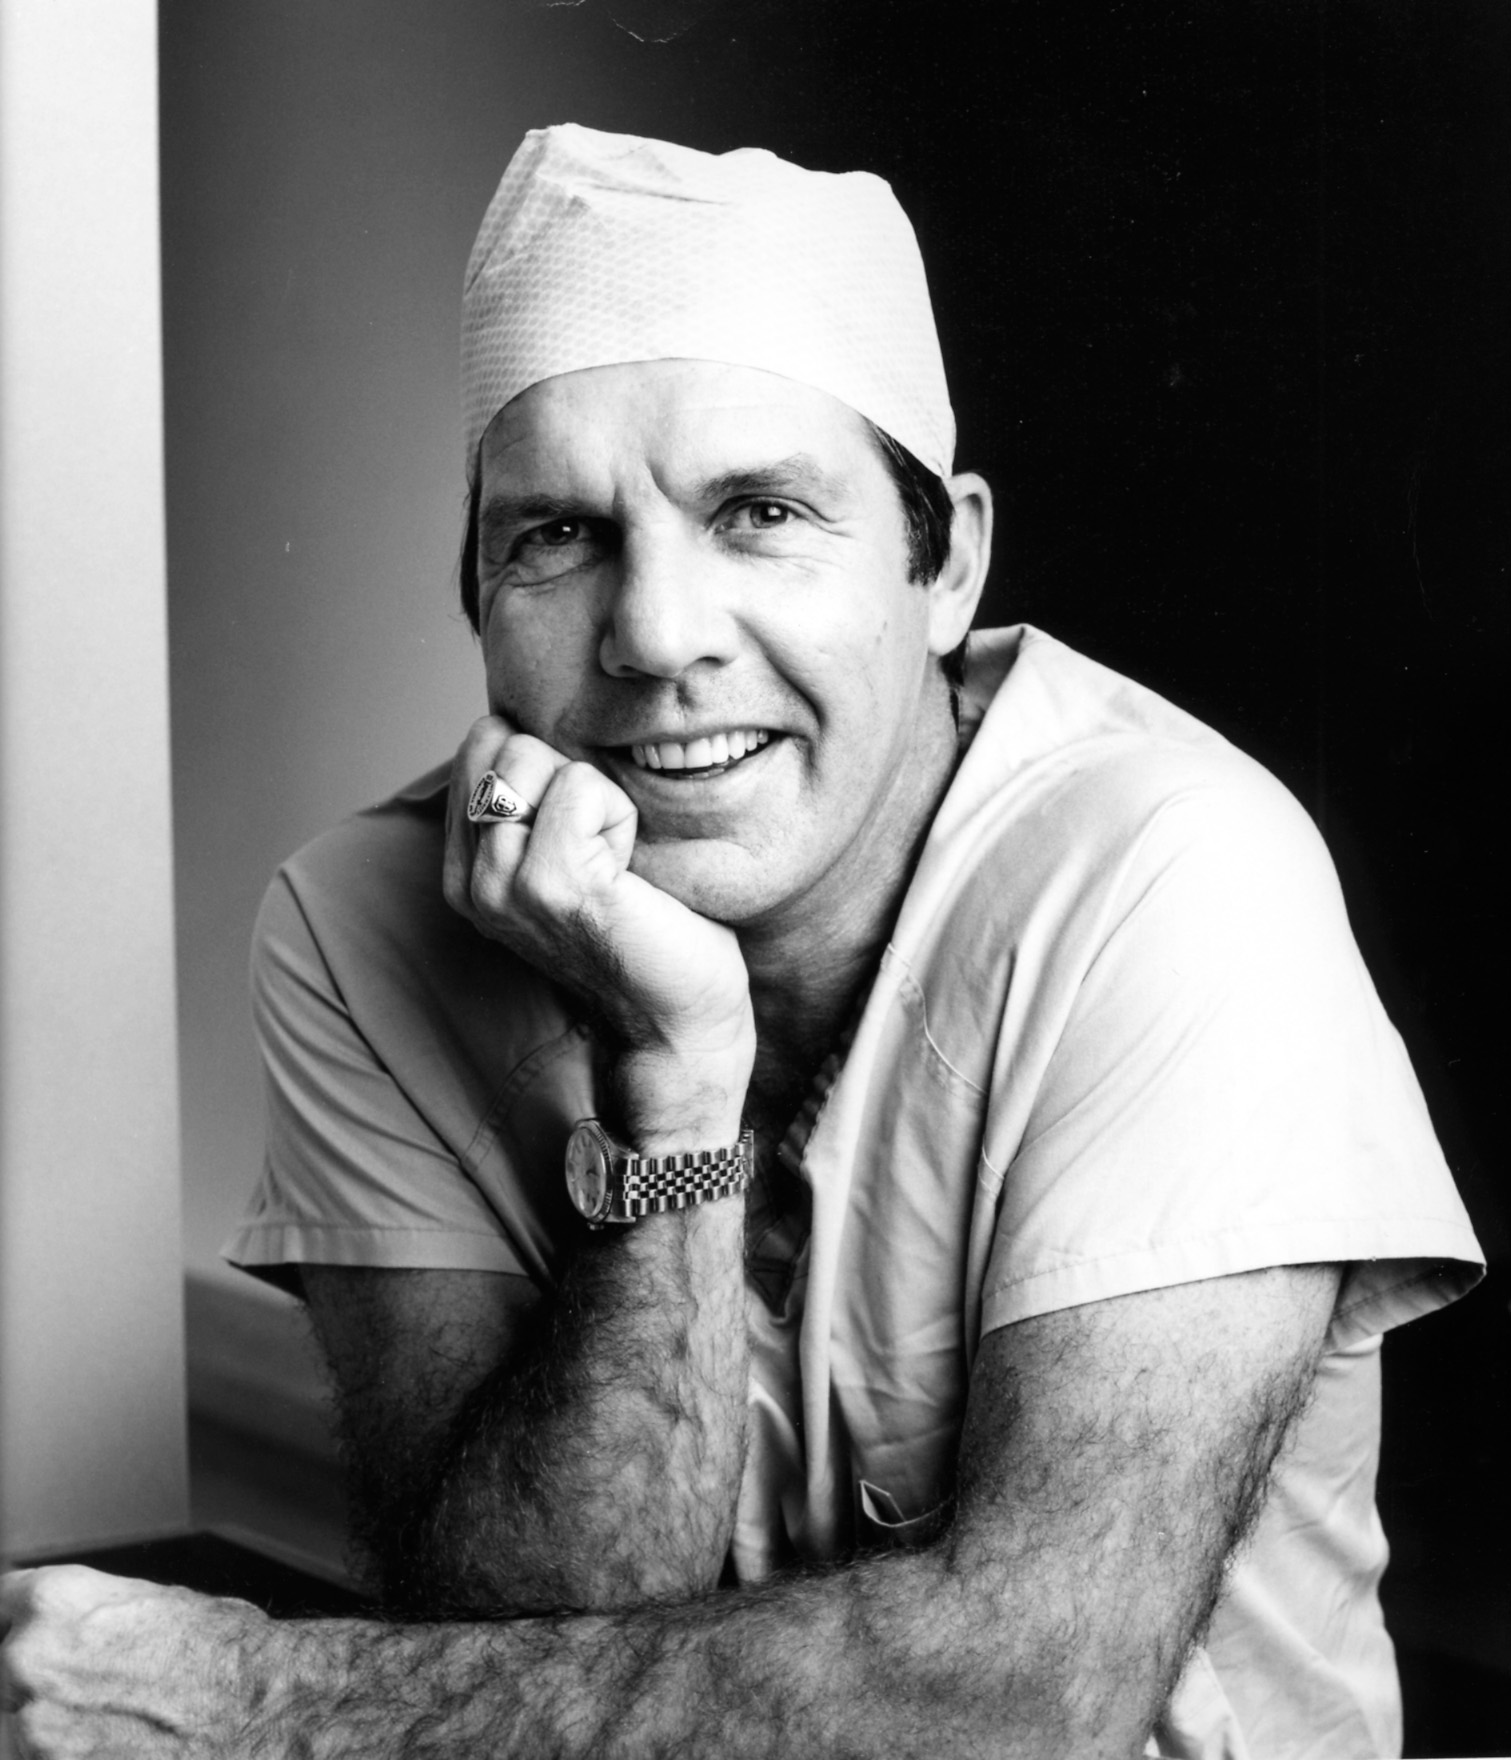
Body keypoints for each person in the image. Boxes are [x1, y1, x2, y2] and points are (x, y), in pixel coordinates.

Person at [1, 124, 1483, 1759]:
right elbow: (514, 1623)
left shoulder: (1174, 874)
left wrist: (269, 1704)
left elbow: (1034, 1701)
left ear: (950, 563)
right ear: (474, 590)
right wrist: (677, 1085)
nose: (655, 634)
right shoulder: (358, 928)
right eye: (558, 534)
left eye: (762, 511)